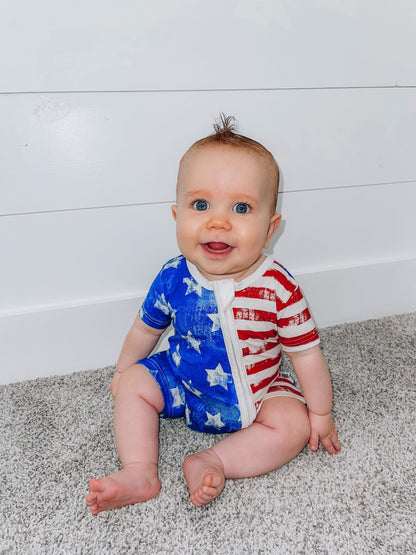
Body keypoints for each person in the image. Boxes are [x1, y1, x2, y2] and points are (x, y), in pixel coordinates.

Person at [86, 115, 341, 514]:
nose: (218, 222)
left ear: (271, 228)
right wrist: (122, 370)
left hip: (258, 393)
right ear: (177, 216)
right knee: (135, 381)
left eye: (241, 208)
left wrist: (321, 412)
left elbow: (306, 355)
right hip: (183, 383)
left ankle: (215, 460)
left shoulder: (278, 287)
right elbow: (144, 328)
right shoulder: (173, 276)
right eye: (200, 204)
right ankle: (140, 469)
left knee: (294, 424)